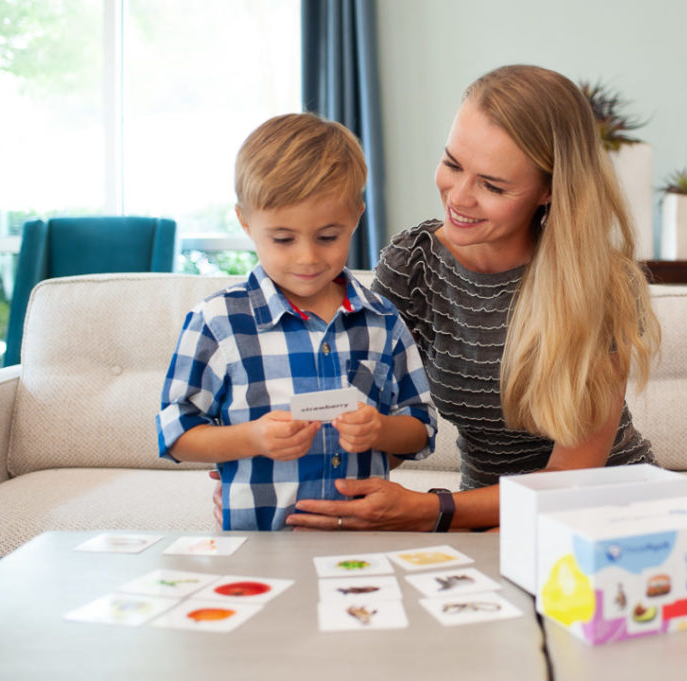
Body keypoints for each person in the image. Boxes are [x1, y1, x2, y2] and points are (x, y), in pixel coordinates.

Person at [220, 64, 661, 531]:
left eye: (492, 185)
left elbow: (571, 476)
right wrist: (268, 477)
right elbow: (368, 413)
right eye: (452, 164)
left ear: (549, 191)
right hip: (482, 518)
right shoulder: (415, 263)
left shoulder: (601, 283)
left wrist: (429, 509)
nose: (459, 197)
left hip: (602, 506)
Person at [157, 112, 437, 531]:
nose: (307, 257)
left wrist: (379, 430)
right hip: (258, 546)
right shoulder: (217, 322)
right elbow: (176, 434)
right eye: (283, 239)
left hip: (362, 541)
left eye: (328, 237)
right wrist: (251, 438)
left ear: (356, 217)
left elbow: (421, 429)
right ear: (245, 222)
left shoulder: (380, 319)